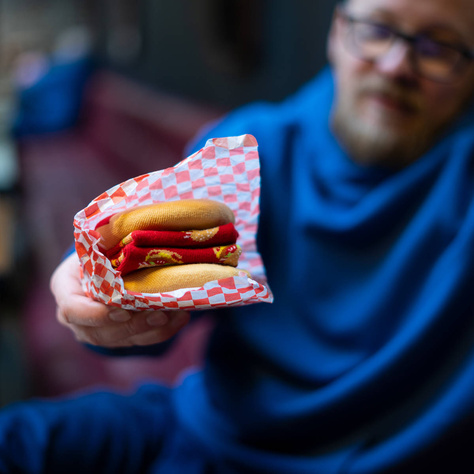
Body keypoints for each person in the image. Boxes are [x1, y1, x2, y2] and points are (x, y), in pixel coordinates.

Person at [2, 0, 474, 471]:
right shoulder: (257, 151)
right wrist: (94, 281)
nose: (396, 65)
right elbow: (147, 264)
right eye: (377, 29)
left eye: (438, 46)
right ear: (336, 31)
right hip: (206, 436)